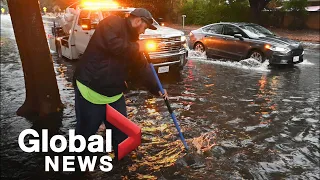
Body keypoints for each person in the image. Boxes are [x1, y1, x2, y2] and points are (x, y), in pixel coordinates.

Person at [73, 8, 168, 161]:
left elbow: (142, 68)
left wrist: (157, 88)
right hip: (90, 90)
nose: (144, 32)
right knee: (85, 136)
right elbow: (113, 45)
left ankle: (122, 169)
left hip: (114, 94)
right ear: (138, 21)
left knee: (122, 137)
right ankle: (80, 168)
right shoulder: (112, 23)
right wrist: (137, 47)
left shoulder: (134, 40)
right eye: (145, 27)